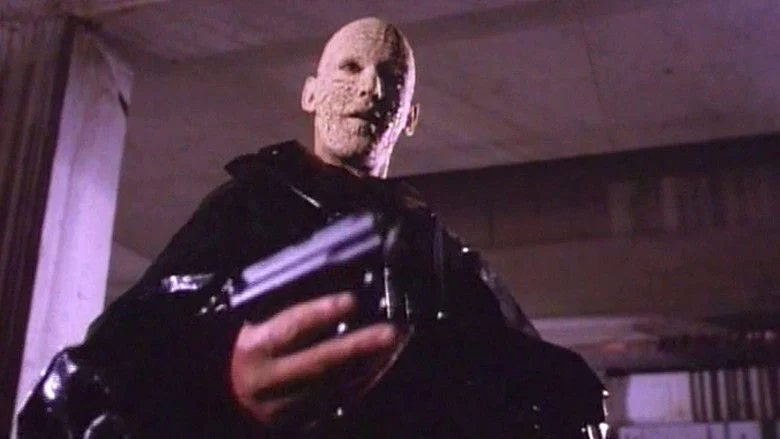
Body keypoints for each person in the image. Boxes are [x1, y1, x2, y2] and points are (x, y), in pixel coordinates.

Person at [17, 17, 606, 438]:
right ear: (309, 92)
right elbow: (94, 384)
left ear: (409, 118)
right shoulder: (248, 207)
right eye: (351, 67)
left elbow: (541, 384)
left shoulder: (434, 251)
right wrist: (220, 385)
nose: (370, 87)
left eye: (390, 78)